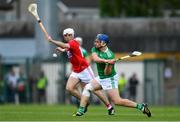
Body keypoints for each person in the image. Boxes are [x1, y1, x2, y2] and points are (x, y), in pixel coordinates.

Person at [74, 34, 151, 117]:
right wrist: (106, 61)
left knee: (117, 101)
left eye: (97, 41)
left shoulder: (110, 55)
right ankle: (81, 111)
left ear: (103, 43)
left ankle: (141, 107)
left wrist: (108, 64)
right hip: (101, 77)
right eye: (95, 41)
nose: (95, 43)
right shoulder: (95, 49)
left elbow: (107, 73)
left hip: (109, 78)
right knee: (87, 88)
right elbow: (95, 59)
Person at [46, 28, 114, 115]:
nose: (66, 37)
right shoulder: (69, 44)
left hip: (84, 70)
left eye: (68, 35)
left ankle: (109, 107)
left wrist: (51, 41)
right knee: (69, 88)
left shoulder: (73, 42)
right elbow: (67, 48)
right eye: (65, 35)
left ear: (72, 35)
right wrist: (63, 50)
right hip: (76, 71)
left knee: (95, 90)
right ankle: (85, 102)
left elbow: (66, 46)